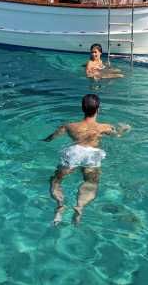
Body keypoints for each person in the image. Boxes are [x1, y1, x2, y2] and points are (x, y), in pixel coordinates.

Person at [42, 94, 130, 225]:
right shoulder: (105, 127)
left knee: (56, 180)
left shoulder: (69, 126)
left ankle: (60, 205)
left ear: (82, 108)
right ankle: (80, 206)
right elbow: (117, 135)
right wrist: (125, 129)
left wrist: (44, 140)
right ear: (98, 109)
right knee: (91, 182)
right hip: (93, 154)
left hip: (74, 152)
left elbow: (50, 138)